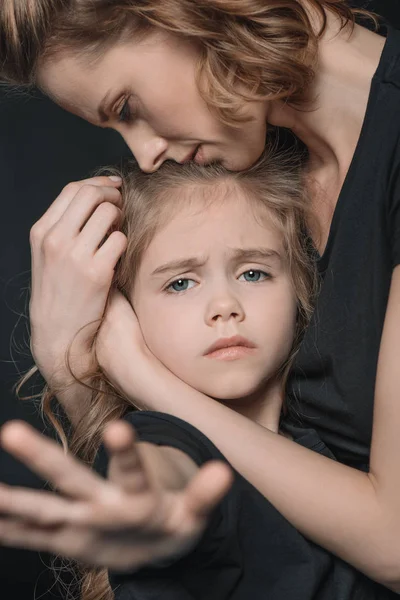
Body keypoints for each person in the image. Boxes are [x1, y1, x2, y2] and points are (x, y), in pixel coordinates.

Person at [1, 0, 400, 592]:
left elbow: (393, 543)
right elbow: (188, 471)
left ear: (182, 11)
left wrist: (127, 365)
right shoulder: (258, 162)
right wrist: (79, 381)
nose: (144, 156)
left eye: (126, 107)